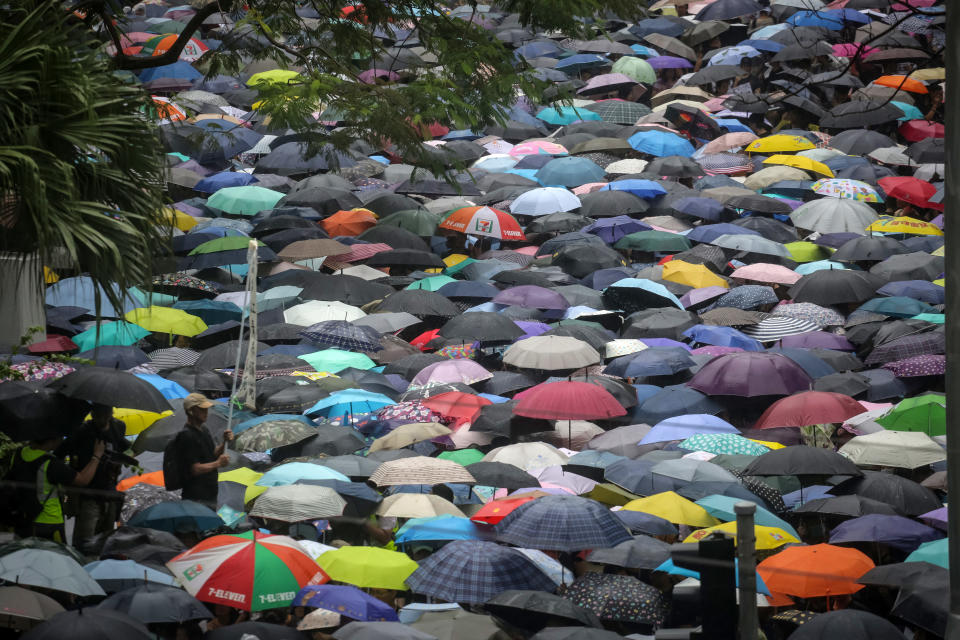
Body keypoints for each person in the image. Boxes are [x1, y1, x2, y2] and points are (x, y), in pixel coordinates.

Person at [57, 403, 130, 547]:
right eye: (98, 414)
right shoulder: (81, 431)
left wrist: (121, 461)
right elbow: (59, 454)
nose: (102, 418)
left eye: (105, 414)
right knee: (85, 543)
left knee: (106, 542)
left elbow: (123, 448)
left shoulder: (118, 427)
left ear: (111, 412)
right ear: (92, 413)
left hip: (109, 492)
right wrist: (72, 478)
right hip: (87, 495)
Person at [10, 435, 104, 542]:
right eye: (60, 437)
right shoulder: (50, 463)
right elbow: (82, 480)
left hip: (23, 520)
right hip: (49, 522)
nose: (61, 440)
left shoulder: (18, 454)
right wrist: (97, 455)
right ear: (51, 440)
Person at [175, 393, 233, 508]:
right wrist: (218, 463)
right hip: (195, 497)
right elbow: (194, 468)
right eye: (202, 409)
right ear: (191, 411)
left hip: (210, 493)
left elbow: (212, 455)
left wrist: (224, 443)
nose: (206, 412)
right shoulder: (187, 436)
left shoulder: (204, 430)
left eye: (206, 409)